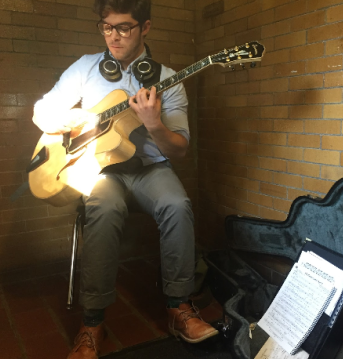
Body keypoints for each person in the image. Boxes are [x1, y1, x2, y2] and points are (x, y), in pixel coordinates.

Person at [32, 1, 218, 358]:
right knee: (102, 207)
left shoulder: (168, 79)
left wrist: (154, 124)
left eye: (124, 28)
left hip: (151, 170)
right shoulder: (87, 67)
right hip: (101, 170)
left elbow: (179, 150)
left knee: (178, 205)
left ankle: (179, 306)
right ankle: (92, 322)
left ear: (145, 27)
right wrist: (66, 122)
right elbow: (43, 109)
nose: (113, 36)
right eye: (106, 27)